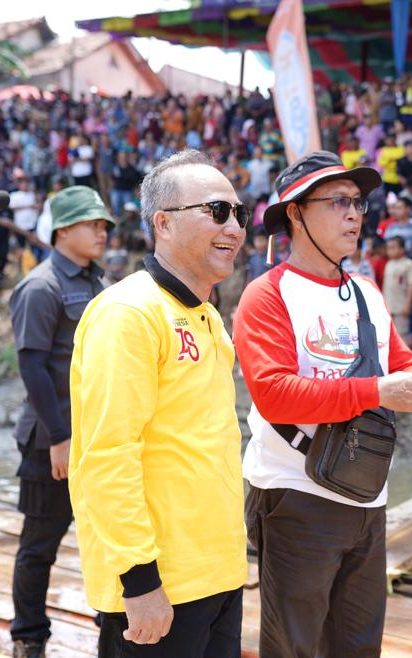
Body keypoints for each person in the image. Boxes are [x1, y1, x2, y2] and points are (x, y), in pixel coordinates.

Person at [234, 151, 412, 658]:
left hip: (365, 491)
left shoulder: (365, 291)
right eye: (338, 201)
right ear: (294, 213)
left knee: (358, 645)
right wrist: (380, 391)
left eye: (358, 202)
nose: (355, 214)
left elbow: (401, 363)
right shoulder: (266, 294)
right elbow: (273, 393)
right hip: (295, 490)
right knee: (295, 645)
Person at [69, 151, 249, 657]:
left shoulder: (208, 316)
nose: (234, 226)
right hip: (159, 585)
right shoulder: (128, 313)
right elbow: (107, 455)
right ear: (163, 223)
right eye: (217, 211)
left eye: (239, 212)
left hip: (217, 573)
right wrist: (140, 580)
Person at [8, 186, 113, 658]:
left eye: (104, 225)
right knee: (40, 543)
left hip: (97, 437)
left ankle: (110, 621)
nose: (102, 232)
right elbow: (32, 366)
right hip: (53, 438)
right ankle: (29, 635)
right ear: (63, 229)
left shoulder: (98, 283)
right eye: (93, 224)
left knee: (108, 535)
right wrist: (59, 437)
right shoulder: (41, 286)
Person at [383, 236, 412, 345]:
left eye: (393, 248)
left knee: (402, 334)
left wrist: (408, 304)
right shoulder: (388, 264)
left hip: (401, 305)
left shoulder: (408, 264)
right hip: (389, 306)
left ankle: (404, 359)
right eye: (388, 248)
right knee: (388, 333)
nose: (390, 251)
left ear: (402, 249)